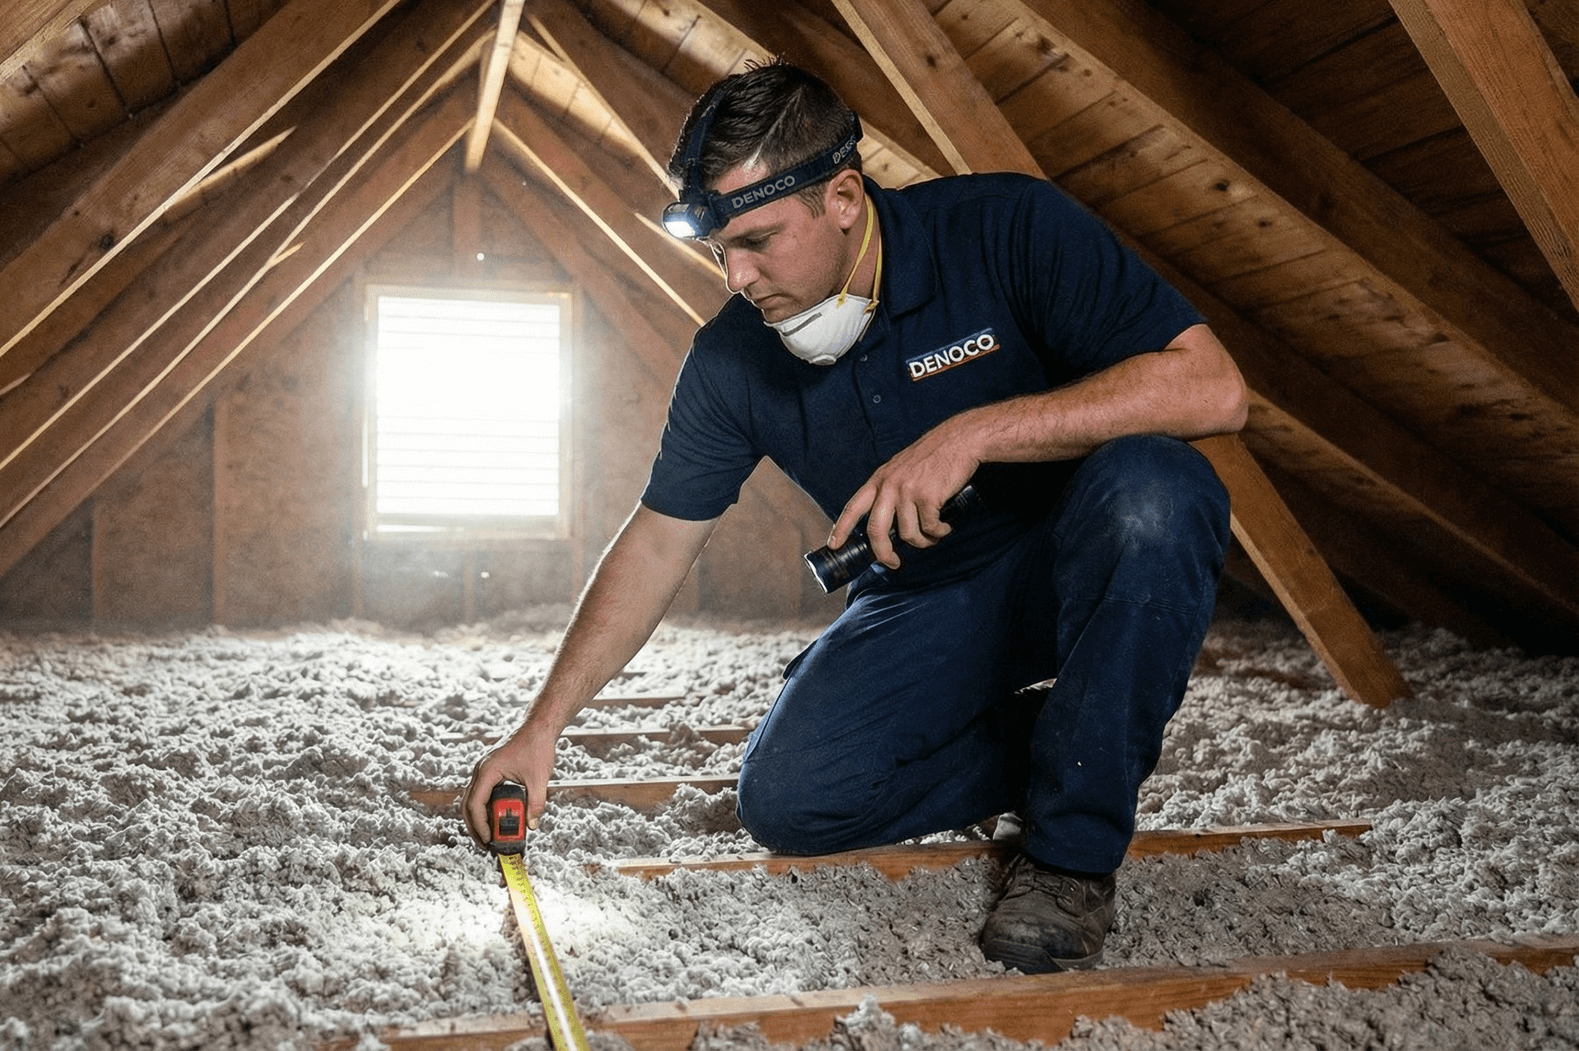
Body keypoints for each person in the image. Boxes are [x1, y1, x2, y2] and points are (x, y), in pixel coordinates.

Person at [464, 61, 1248, 974]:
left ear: (843, 196)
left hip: (1080, 558)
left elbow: (1212, 386)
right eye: (720, 248)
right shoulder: (731, 362)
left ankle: (1070, 862)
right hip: (923, 595)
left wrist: (975, 432)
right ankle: (1078, 730)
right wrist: (543, 725)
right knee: (793, 800)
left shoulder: (1005, 228)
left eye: (757, 240)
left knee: (1160, 489)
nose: (738, 275)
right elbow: (657, 539)